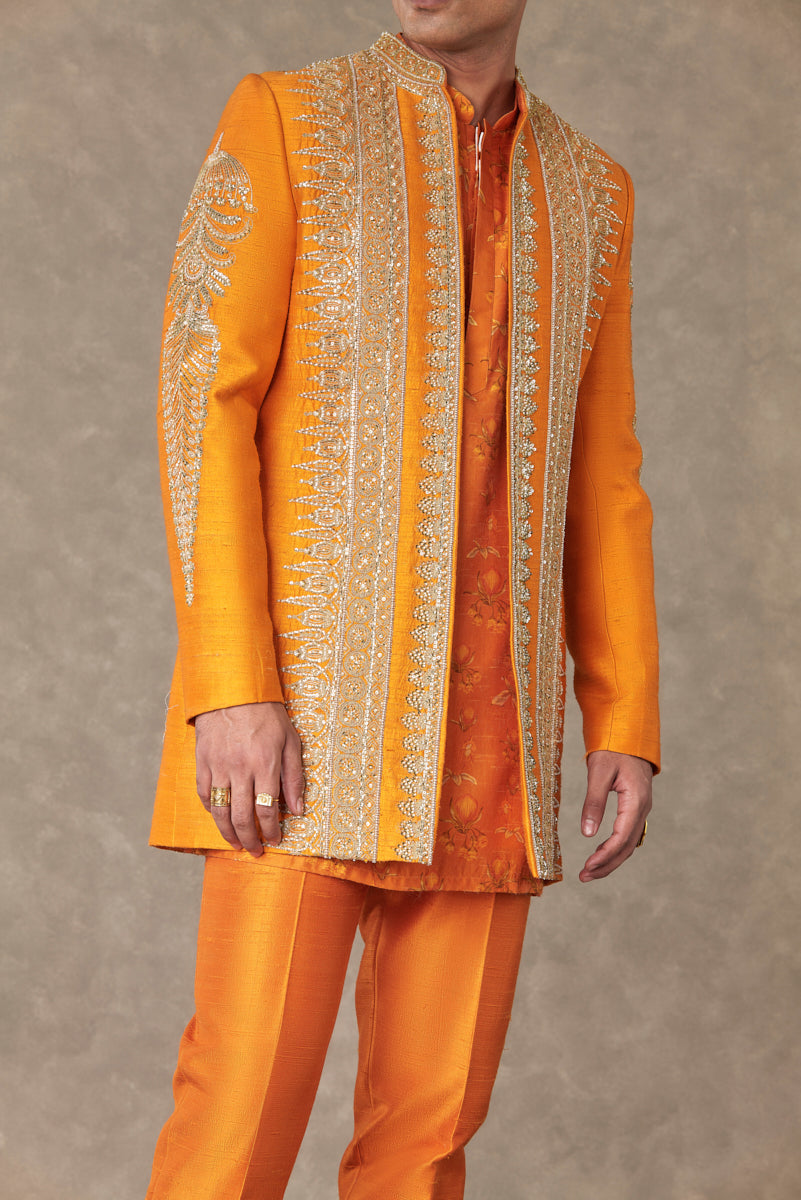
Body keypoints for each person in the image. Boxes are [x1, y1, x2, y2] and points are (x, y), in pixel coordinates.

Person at [145, 1, 660, 1196]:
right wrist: (232, 686)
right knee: (237, 1124)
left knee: (425, 1150)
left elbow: (605, 471)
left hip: (495, 750)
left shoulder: (592, 192)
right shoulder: (290, 120)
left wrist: (624, 715)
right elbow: (201, 401)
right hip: (304, 732)